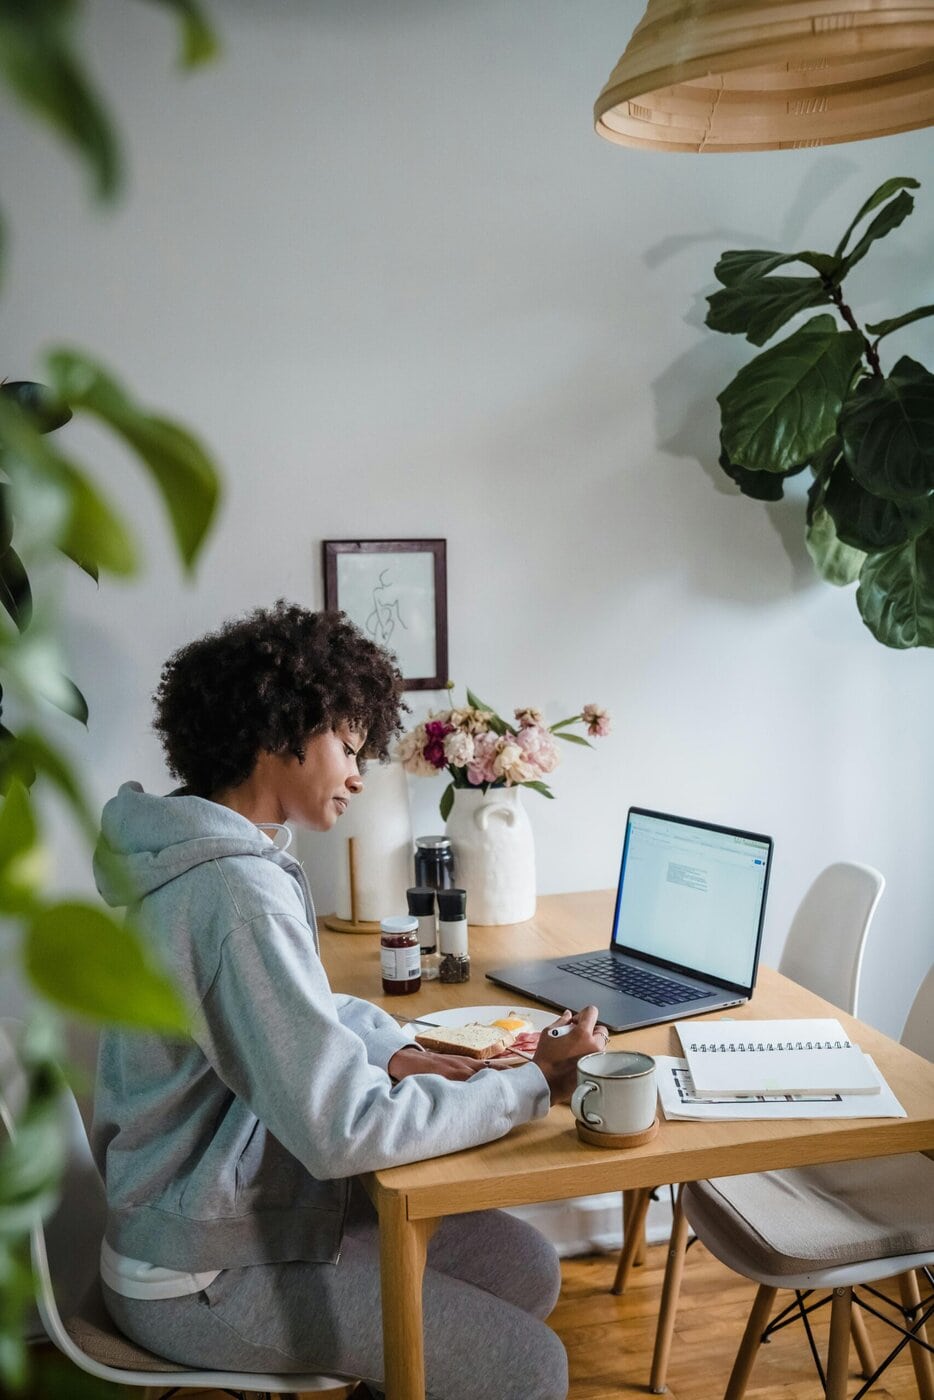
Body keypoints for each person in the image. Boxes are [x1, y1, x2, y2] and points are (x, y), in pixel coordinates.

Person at [91, 601, 607, 1400]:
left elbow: (298, 1015)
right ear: (276, 734)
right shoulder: (234, 892)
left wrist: (391, 1046)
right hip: (200, 1264)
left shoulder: (212, 857)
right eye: (348, 744)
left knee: (523, 1266)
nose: (360, 773)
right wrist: (529, 1084)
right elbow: (345, 1129)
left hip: (224, 1212)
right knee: (529, 1368)